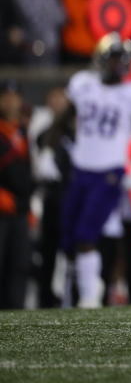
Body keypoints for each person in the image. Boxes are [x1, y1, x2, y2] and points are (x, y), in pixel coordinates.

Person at [45, 33, 131, 308]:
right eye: (113, 58)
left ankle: (90, 296)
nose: (117, 65)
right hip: (81, 170)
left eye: (122, 60)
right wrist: (48, 151)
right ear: (101, 59)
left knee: (86, 234)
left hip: (109, 172)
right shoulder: (84, 85)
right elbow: (61, 122)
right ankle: (77, 292)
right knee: (68, 236)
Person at [0, 81, 32, 309]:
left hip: (20, 209)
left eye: (14, 96)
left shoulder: (23, 130)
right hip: (2, 208)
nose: (11, 102)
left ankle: (16, 310)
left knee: (19, 263)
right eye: (5, 97)